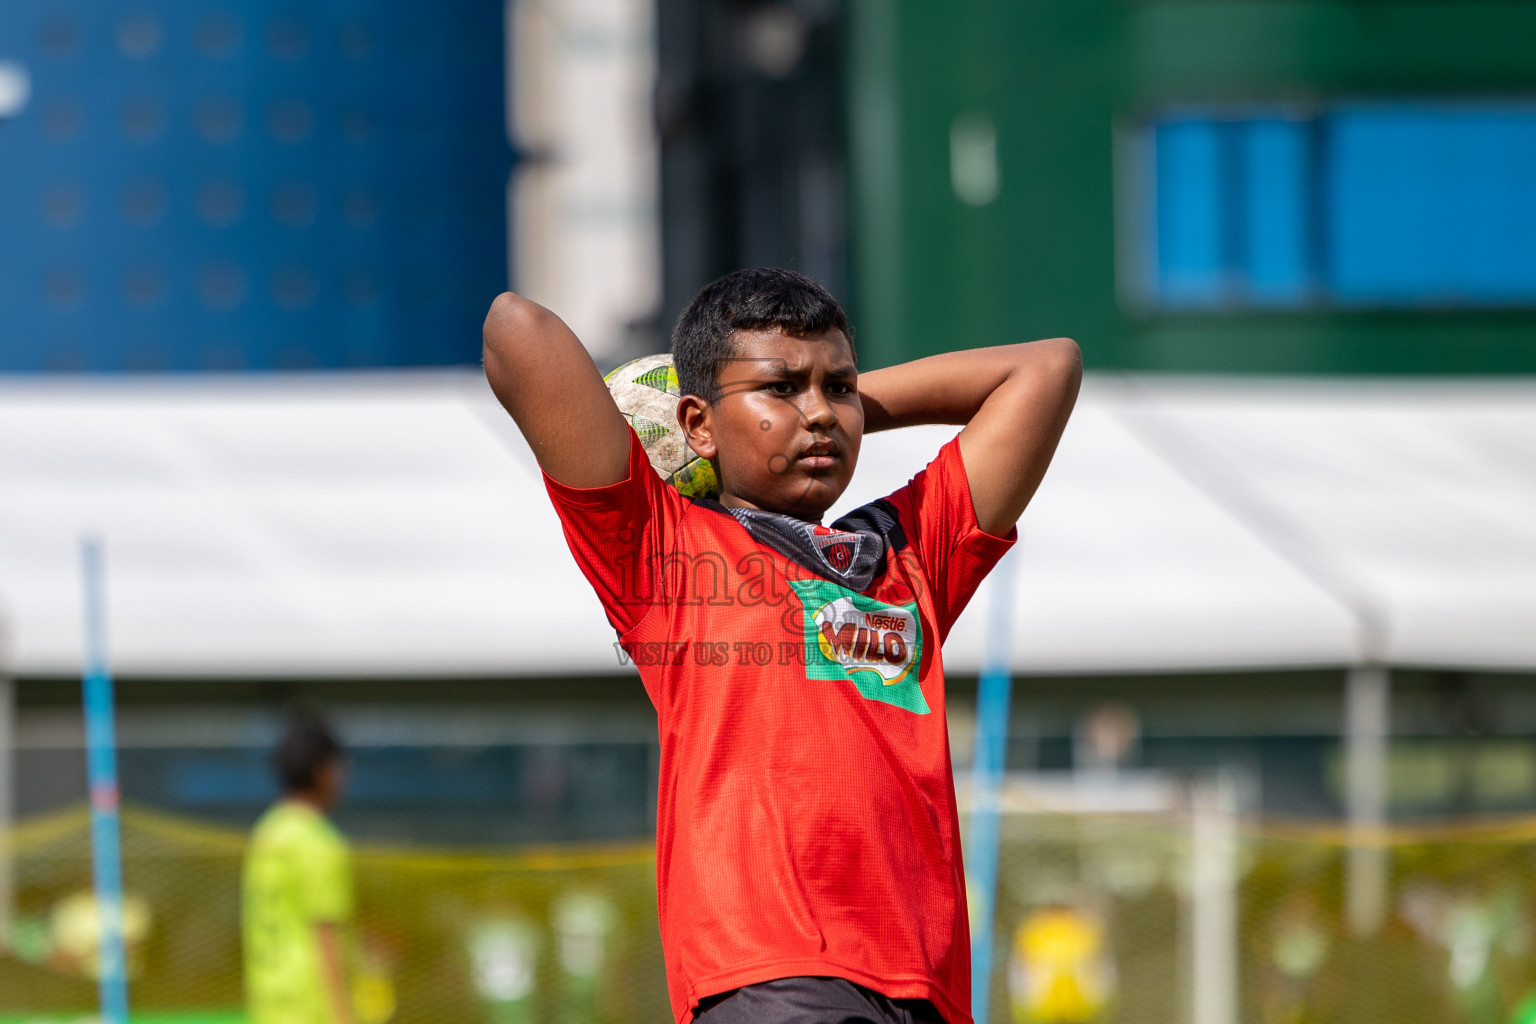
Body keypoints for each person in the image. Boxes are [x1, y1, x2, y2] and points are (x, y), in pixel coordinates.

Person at [483, 268, 1080, 1024]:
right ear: (695, 426)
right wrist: (700, 399)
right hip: (771, 984)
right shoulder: (665, 553)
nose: (820, 416)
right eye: (783, 387)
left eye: (837, 386)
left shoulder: (906, 558)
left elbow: (1047, 368)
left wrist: (820, 403)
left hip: (926, 992)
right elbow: (516, 328)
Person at [242, 712, 355, 1024]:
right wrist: (344, 1016)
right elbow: (325, 939)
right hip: (311, 1008)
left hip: (266, 1003)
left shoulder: (266, 832)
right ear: (323, 771)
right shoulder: (320, 843)